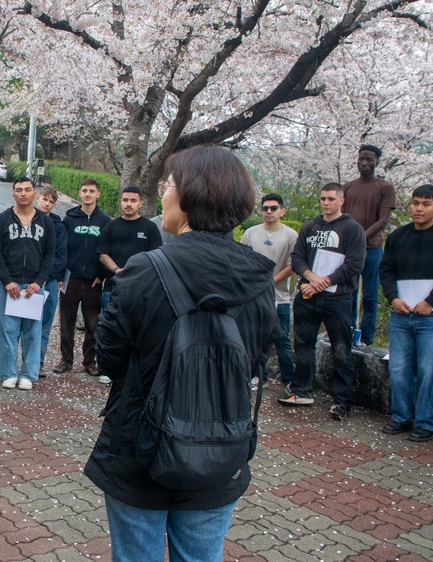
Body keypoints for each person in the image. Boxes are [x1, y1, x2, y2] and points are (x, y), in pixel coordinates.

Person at [87, 145, 278, 562]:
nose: (163, 192)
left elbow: (110, 357)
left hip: (141, 443)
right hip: (221, 442)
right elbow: (257, 357)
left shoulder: (142, 271)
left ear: (190, 197)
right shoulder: (259, 278)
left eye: (168, 184)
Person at [379, 184, 433, 442]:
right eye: (415, 203)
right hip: (401, 314)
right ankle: (401, 417)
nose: (419, 208)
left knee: (430, 370)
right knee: (399, 367)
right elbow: (387, 270)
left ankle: (427, 422)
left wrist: (431, 301)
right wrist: (393, 298)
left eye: (426, 204)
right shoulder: (397, 237)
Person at [279, 183, 365, 421]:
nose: (325, 203)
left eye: (330, 199)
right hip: (308, 296)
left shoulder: (352, 229)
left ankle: (342, 400)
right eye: (322, 199)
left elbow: (354, 264)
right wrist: (311, 277)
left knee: (340, 348)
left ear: (341, 201)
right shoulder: (310, 228)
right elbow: (296, 258)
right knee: (303, 344)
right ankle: (302, 389)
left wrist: (324, 282)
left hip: (337, 299)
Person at [0, 177, 55, 390]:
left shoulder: (45, 222)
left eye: (27, 190)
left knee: (32, 331)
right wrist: (7, 281)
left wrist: (39, 281)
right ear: (13, 193)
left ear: (35, 194)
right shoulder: (2, 219)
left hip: (34, 286)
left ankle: (28, 373)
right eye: (19, 190)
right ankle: (8, 373)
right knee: (8, 330)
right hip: (10, 285)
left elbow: (49, 254)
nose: (23, 193)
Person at [95, 185, 162, 383]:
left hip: (141, 291)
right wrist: (117, 270)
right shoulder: (111, 226)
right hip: (113, 288)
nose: (128, 204)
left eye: (133, 201)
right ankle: (108, 369)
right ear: (121, 202)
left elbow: (156, 257)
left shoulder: (149, 228)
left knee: (139, 332)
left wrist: (136, 274)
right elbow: (102, 253)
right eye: (125, 200)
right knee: (111, 329)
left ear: (141, 203)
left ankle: (134, 370)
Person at [239, 193, 298, 388]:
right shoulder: (250, 233)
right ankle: (259, 376)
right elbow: (244, 261)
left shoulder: (290, 235)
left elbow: (293, 265)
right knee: (255, 337)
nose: (269, 212)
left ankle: (289, 380)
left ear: (282, 210)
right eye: (265, 208)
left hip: (279, 296)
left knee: (282, 339)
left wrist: (271, 281)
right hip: (254, 295)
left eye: (273, 208)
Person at [342, 144, 396, 346]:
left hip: (372, 247)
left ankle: (366, 337)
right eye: (361, 159)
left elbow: (383, 220)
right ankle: (347, 333)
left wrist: (361, 238)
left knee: (370, 295)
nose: (364, 163)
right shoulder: (348, 187)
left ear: (377, 162)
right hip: (348, 249)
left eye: (369, 160)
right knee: (349, 292)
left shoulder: (384, 187)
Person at [55, 178, 111, 376]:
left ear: (98, 194)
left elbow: (107, 249)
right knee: (66, 321)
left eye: (92, 191)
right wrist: (60, 273)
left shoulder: (105, 221)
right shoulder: (70, 218)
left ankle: (89, 361)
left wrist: (101, 275)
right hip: (70, 278)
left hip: (93, 280)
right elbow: (60, 248)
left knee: (93, 323)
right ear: (80, 193)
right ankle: (66, 360)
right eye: (85, 190)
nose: (88, 194)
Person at [36, 186, 68, 377]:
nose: (47, 204)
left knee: (44, 323)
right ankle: (7, 359)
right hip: (27, 279)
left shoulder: (58, 226)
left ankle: (38, 362)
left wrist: (45, 278)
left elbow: (60, 257)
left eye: (51, 201)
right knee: (18, 322)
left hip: (48, 282)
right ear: (37, 198)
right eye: (44, 199)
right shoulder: (26, 220)